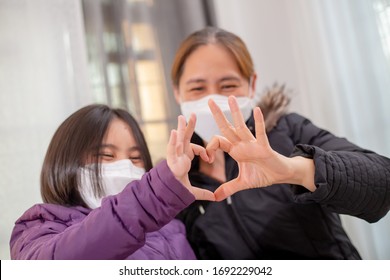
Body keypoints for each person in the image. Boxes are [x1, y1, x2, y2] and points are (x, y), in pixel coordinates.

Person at [171, 26, 390, 259]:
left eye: (228, 86)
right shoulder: (177, 181)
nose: (213, 100)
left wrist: (294, 170)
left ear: (252, 84)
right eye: (197, 88)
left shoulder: (288, 131)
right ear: (177, 92)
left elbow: (382, 183)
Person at [10, 104, 214, 260]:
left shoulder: (172, 228)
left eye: (135, 158)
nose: (125, 165)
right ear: (66, 161)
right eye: (107, 155)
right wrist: (151, 199)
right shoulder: (39, 228)